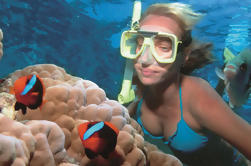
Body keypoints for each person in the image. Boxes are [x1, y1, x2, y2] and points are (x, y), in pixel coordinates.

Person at [119, 2, 251, 166]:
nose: (144, 59)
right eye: (139, 44)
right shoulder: (144, 82)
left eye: (164, 47)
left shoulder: (199, 97)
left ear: (184, 55)